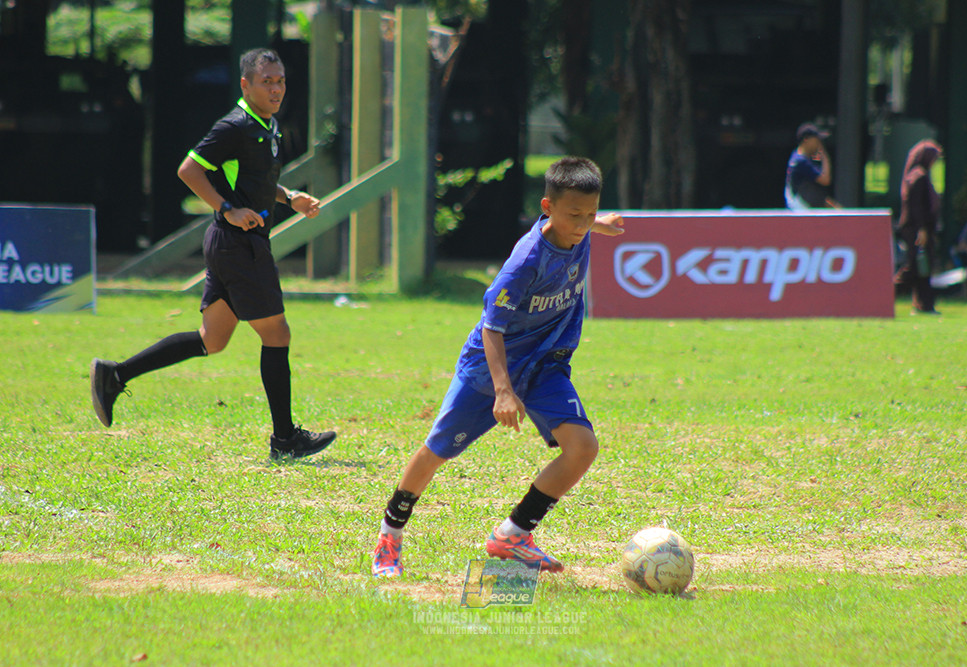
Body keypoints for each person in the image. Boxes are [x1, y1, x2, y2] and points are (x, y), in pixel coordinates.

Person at [370, 157, 624, 577]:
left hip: (545, 365)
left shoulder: (579, 231)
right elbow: (492, 327)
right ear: (547, 207)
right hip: (491, 369)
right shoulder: (526, 262)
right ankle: (389, 536)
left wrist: (600, 224)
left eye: (590, 214)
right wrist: (504, 391)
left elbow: (580, 220)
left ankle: (513, 534)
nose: (581, 224)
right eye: (574, 215)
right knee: (436, 452)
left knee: (583, 447)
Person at [90, 48, 336, 460]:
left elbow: (253, 179)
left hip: (231, 244)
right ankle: (285, 439)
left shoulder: (266, 125)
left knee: (213, 339)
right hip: (239, 245)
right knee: (277, 335)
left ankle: (115, 375)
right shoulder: (234, 126)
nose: (276, 89)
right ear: (246, 85)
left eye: (280, 81)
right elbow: (190, 170)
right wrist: (227, 209)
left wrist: (289, 196)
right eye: (266, 82)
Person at [894, 139, 943, 314]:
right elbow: (916, 206)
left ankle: (924, 304)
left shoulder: (917, 174)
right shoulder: (919, 176)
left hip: (919, 229)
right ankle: (886, 294)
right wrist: (922, 229)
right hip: (917, 229)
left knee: (922, 267)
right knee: (915, 267)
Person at [785, 122, 836, 210]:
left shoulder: (796, 156)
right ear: (806, 139)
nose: (819, 143)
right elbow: (825, 180)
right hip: (801, 210)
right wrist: (824, 156)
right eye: (816, 139)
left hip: (800, 209)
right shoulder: (801, 162)